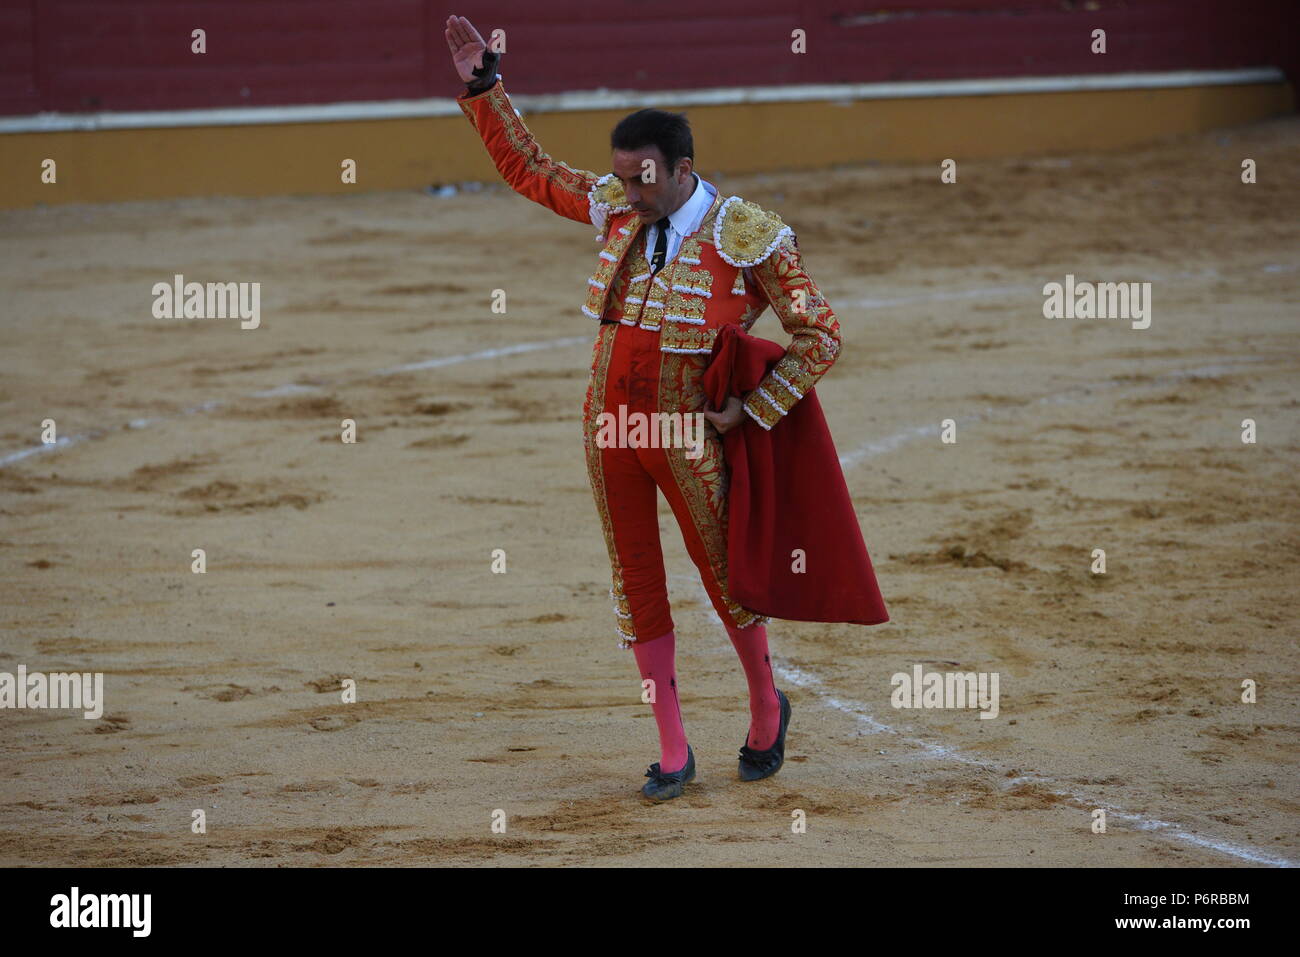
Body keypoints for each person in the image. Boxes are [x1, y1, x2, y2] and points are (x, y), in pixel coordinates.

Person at [445, 15, 842, 801]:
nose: (624, 194)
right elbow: (532, 170)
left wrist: (753, 412)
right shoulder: (621, 206)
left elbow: (819, 335)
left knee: (725, 575)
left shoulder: (748, 236)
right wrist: (484, 88)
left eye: (640, 179)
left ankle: (767, 706)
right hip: (609, 425)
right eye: (620, 178)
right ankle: (672, 747)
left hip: (685, 430)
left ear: (681, 167)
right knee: (635, 580)